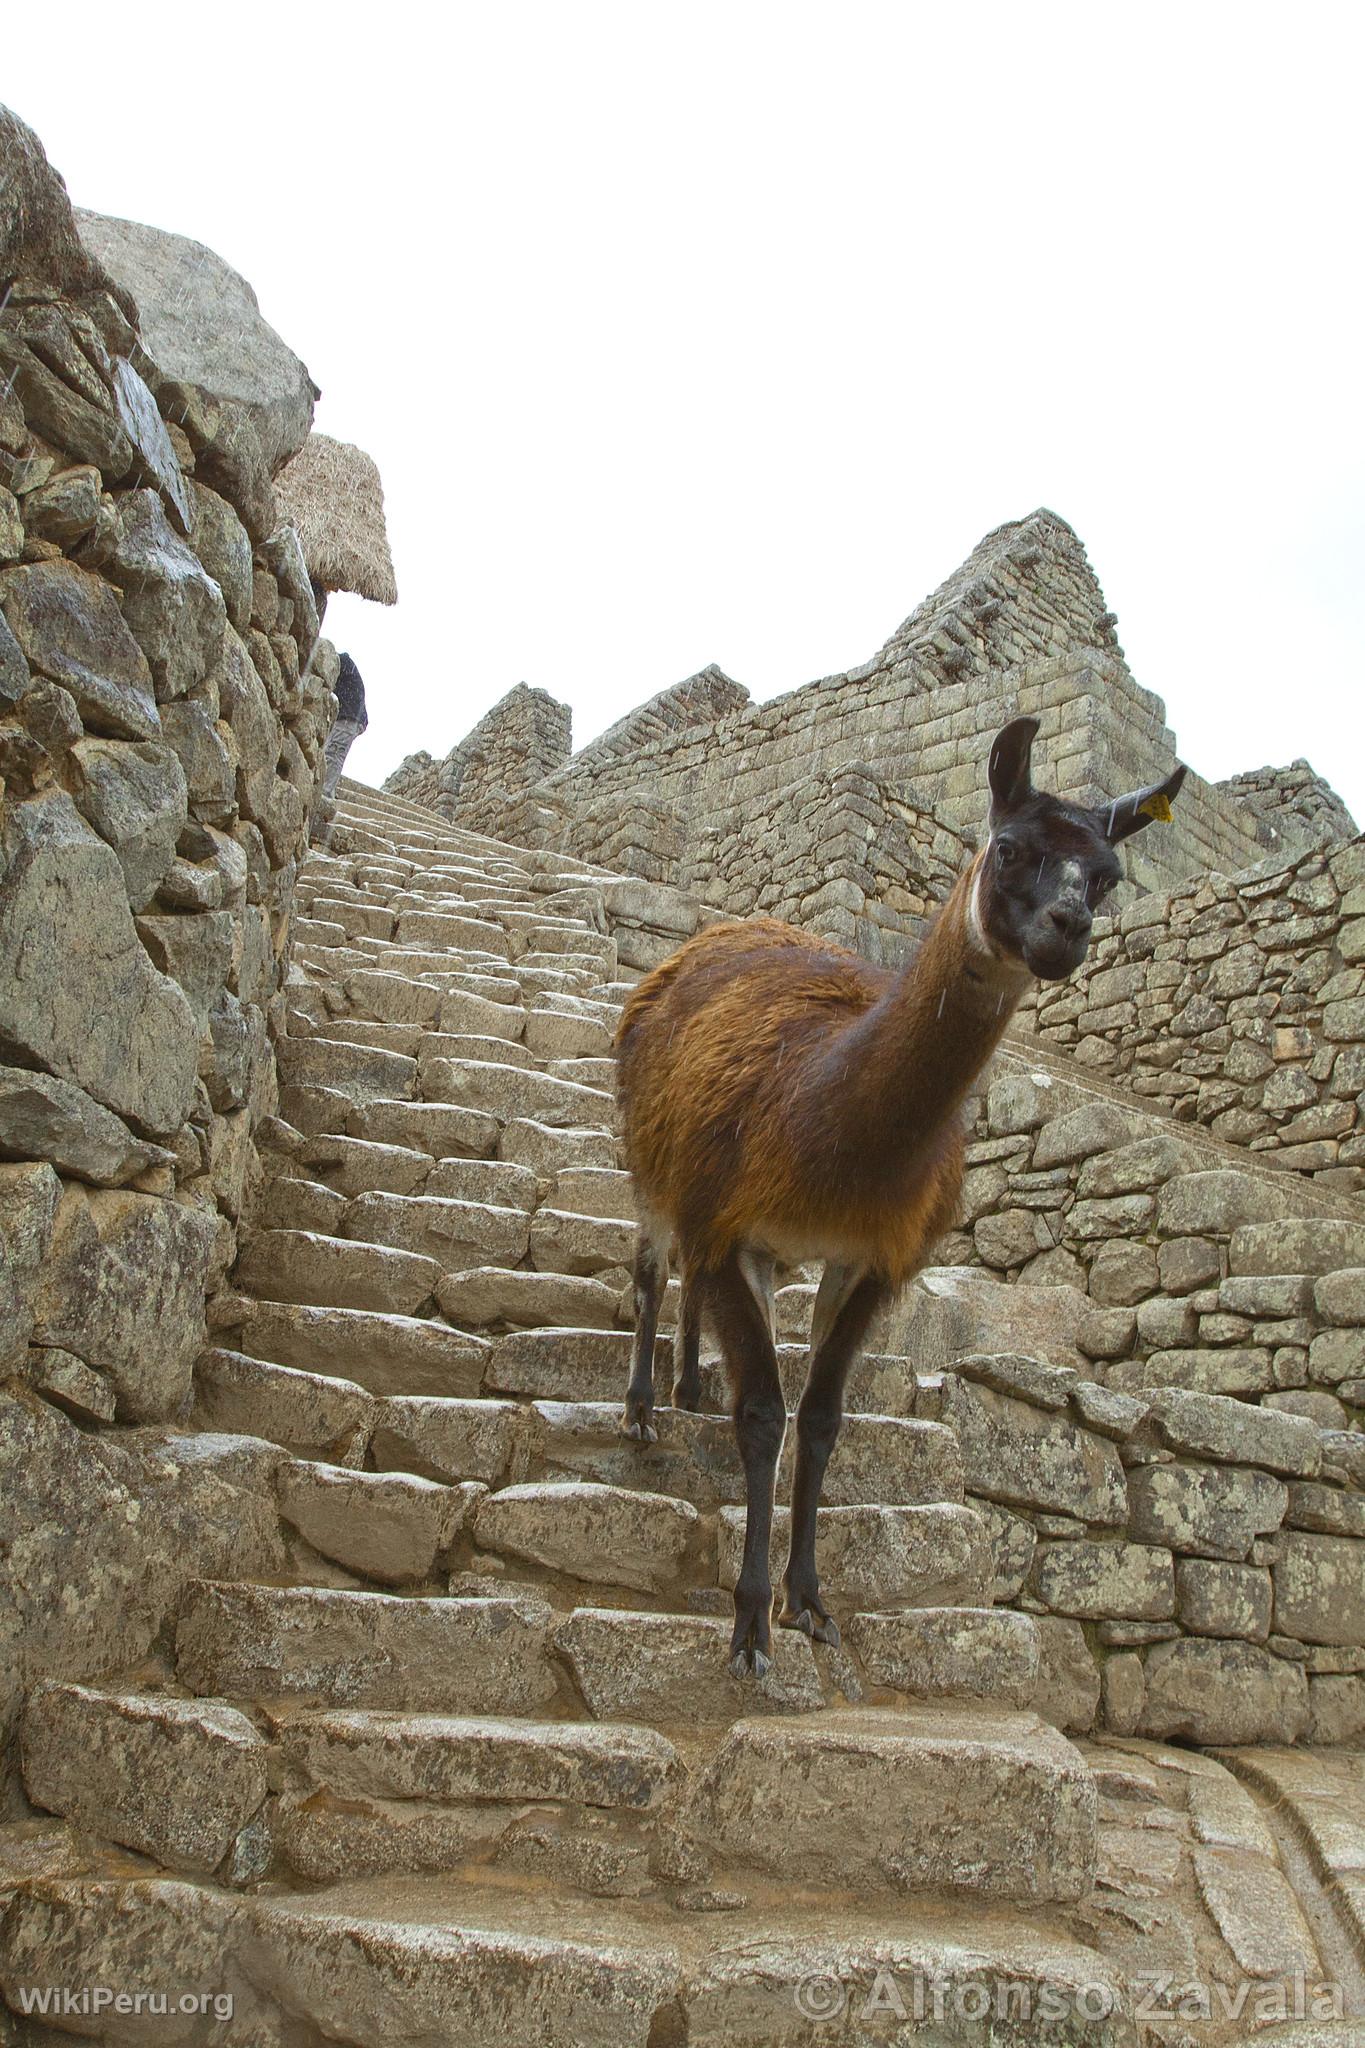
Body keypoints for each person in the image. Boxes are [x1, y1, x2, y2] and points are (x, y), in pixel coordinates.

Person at [321, 652, 368, 798]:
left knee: (333, 752)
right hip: (352, 717)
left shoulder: (340, 662)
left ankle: (325, 793)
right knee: (333, 751)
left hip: (349, 717)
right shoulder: (346, 669)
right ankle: (327, 790)